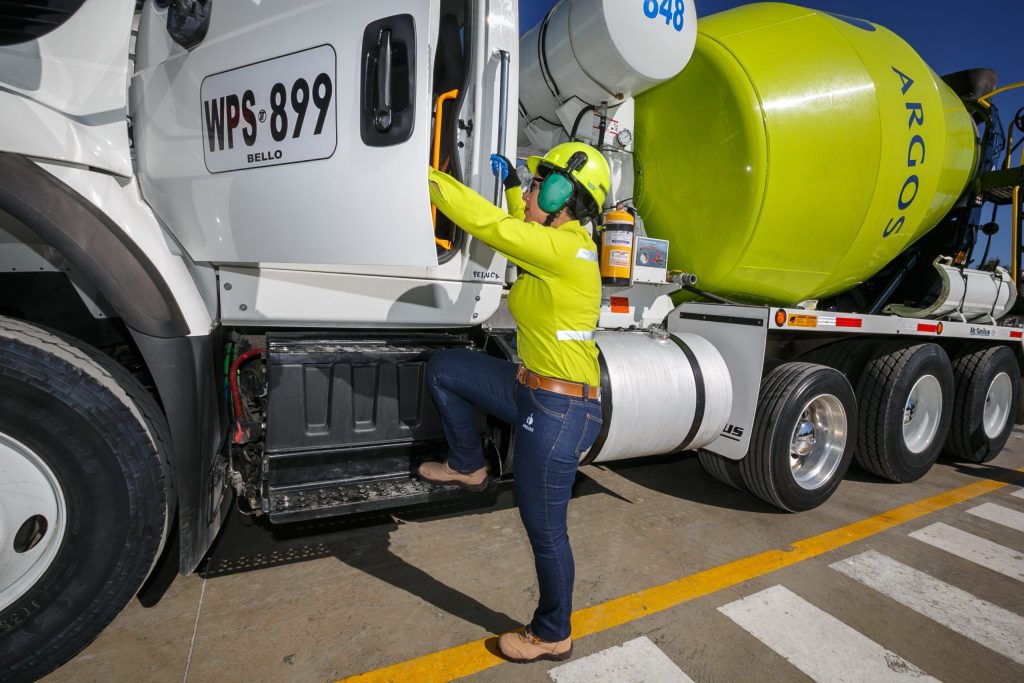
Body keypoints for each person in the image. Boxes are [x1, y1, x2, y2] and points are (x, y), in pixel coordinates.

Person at [420, 142, 609, 663]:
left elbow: (498, 230)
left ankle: (553, 631)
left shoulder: (571, 250)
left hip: (561, 410)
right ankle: (467, 466)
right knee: (447, 369)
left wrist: (426, 177)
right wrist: (509, 189)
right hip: (531, 387)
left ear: (559, 194)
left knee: (544, 529)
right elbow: (518, 230)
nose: (527, 193)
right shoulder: (553, 244)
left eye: (534, 185)